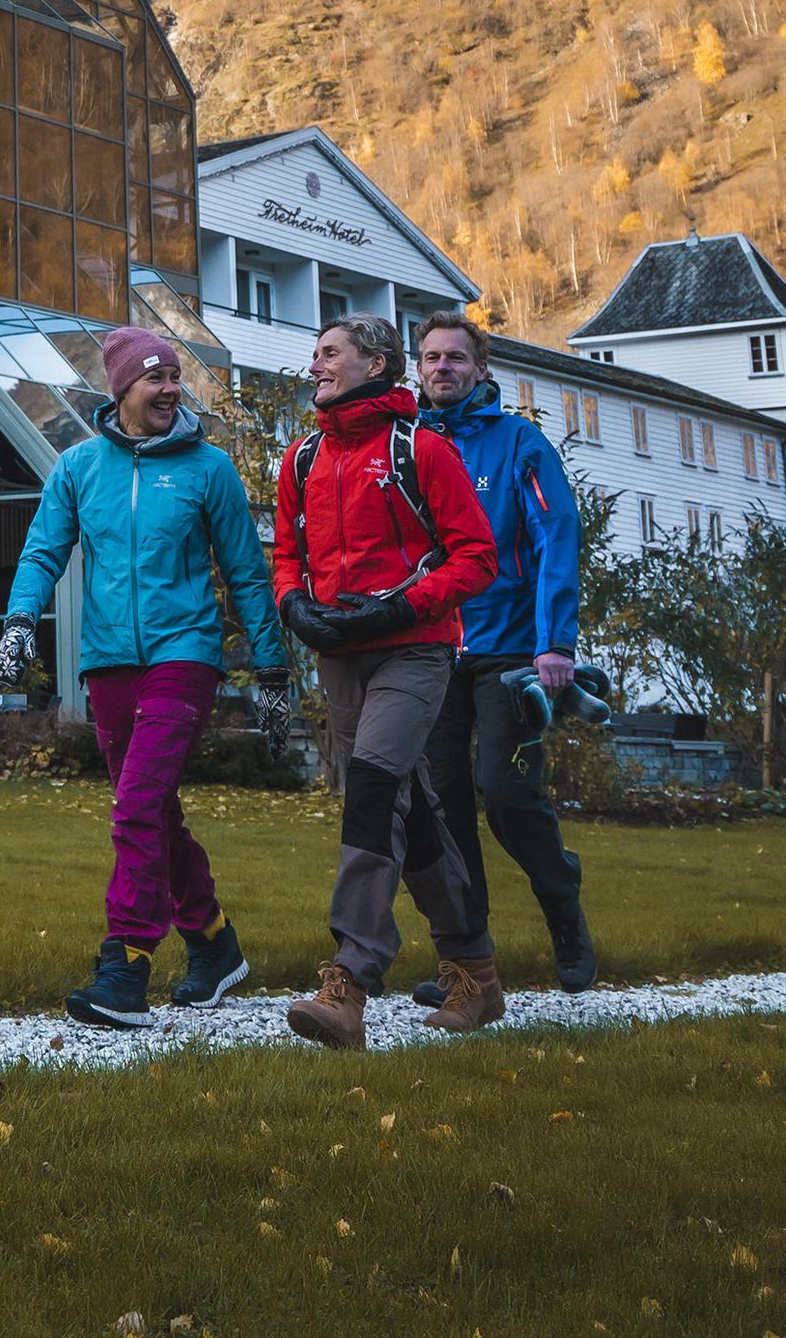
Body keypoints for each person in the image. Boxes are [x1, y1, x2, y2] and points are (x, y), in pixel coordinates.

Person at [0, 325, 278, 1030]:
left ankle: (126, 964)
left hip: (185, 656)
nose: (170, 388)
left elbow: (247, 571)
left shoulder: (208, 469)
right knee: (153, 809)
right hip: (109, 662)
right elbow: (40, 552)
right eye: (155, 378)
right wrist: (21, 620)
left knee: (135, 808)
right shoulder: (79, 469)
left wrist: (271, 666)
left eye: (175, 376)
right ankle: (213, 942)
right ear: (121, 389)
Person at [271, 312, 503, 1049]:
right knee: (409, 809)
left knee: (373, 788)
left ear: (375, 363)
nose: (316, 366)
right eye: (315, 355)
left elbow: (476, 556)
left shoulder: (420, 448)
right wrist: (293, 605)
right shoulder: (300, 459)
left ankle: (350, 979)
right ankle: (474, 970)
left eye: (329, 353)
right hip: (339, 652)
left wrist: (404, 604)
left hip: (415, 649)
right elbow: (285, 554)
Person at [409, 313, 599, 999]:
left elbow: (557, 532)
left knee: (508, 792)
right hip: (432, 648)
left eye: (456, 357)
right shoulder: (407, 445)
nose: (442, 368)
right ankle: (467, 962)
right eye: (431, 357)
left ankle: (564, 909)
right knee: (443, 808)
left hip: (513, 647)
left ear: (480, 369)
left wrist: (556, 640)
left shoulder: (519, 441)